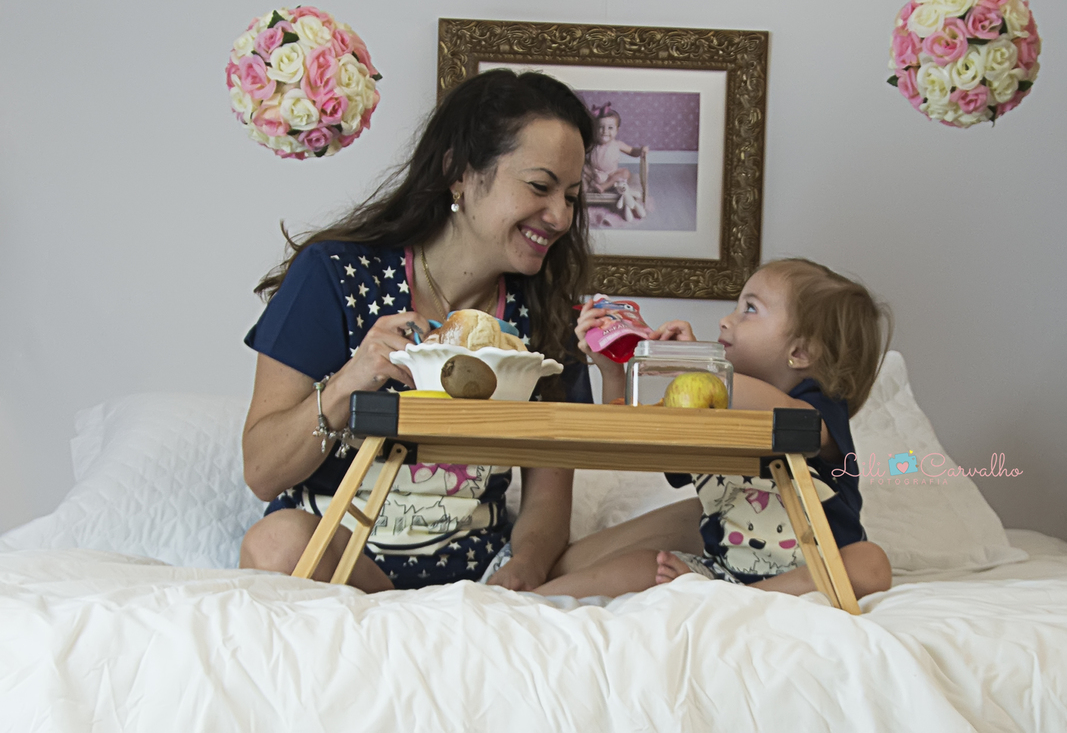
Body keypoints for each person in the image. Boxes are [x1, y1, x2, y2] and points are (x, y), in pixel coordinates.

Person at [238, 69, 596, 594]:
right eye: (540, 187)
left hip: (480, 575)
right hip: (342, 563)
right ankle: (410, 629)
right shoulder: (335, 277)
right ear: (459, 172)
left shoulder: (549, 318)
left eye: (571, 195)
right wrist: (350, 381)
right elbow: (263, 471)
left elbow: (547, 502)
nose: (561, 216)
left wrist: (523, 573)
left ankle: (439, 626)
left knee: (677, 535)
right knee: (275, 543)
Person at [534, 258, 895, 599]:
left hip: (814, 563)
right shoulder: (714, 408)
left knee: (870, 562)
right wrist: (614, 369)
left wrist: (697, 365)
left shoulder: (816, 407)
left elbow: (787, 417)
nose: (725, 319)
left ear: (800, 352)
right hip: (723, 568)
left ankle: (747, 597)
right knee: (633, 566)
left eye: (749, 309)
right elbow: (634, 437)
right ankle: (519, 604)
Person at [583, 104, 648, 221]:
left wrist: (641, 150)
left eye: (610, 128)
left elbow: (632, 151)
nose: (605, 131)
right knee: (582, 169)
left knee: (625, 173)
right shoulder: (592, 144)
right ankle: (584, 189)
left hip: (610, 176)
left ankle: (603, 187)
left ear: (617, 130)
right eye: (600, 127)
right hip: (593, 174)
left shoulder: (618, 145)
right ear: (594, 129)